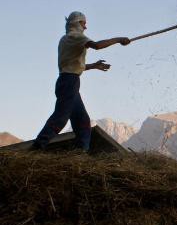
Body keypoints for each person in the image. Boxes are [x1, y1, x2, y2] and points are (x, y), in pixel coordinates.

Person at [32, 11, 130, 151]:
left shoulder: (66, 39)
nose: (85, 27)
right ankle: (38, 146)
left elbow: (72, 65)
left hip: (67, 81)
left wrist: (94, 66)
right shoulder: (75, 36)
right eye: (84, 23)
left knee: (82, 122)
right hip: (70, 83)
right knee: (61, 118)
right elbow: (96, 45)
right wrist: (119, 39)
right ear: (77, 23)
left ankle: (80, 152)